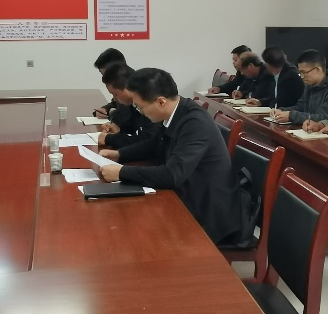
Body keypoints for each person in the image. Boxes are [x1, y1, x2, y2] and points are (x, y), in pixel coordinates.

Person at [100, 68, 249, 245]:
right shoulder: (177, 111)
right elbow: (154, 144)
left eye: (140, 107)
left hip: (208, 213)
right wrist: (119, 154)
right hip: (188, 195)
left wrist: (121, 172)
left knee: (136, 233)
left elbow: (172, 175)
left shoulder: (195, 123)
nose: (140, 112)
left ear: (161, 101)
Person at [96, 62, 160, 158]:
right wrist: (119, 130)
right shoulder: (133, 104)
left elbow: (148, 142)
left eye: (115, 94)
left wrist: (110, 139)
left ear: (128, 87)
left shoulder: (151, 104)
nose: (115, 99)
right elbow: (136, 131)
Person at [272, 49, 328, 125]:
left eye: (304, 72)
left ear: (318, 69)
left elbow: (325, 118)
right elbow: (300, 107)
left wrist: (291, 116)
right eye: (300, 73)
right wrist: (282, 110)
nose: (302, 77)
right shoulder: (309, 84)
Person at [93, 48, 126, 118]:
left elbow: (127, 116)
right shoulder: (119, 83)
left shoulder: (136, 86)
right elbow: (115, 104)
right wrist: (105, 109)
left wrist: (112, 113)